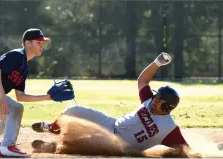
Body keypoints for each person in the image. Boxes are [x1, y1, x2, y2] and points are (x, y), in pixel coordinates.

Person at [31, 52, 189, 152]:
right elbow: (142, 81)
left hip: (119, 144)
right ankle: (51, 127)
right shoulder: (148, 101)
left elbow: (186, 150)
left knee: (78, 143)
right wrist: (157, 63)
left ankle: (50, 147)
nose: (155, 100)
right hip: (111, 124)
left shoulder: (169, 128)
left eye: (160, 100)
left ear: (168, 107)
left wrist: (212, 151)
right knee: (72, 111)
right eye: (156, 97)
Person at [0, 28, 52, 157]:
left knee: (8, 113)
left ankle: (6, 146)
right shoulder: (17, 55)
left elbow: (20, 96)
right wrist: (1, 96)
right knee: (13, 108)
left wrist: (47, 97)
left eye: (42, 43)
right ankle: (7, 146)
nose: (42, 46)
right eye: (38, 42)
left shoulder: (24, 68)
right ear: (27, 43)